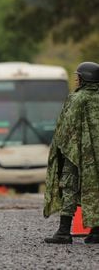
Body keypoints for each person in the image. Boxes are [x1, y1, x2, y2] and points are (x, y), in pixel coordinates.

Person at [44, 61, 99, 244]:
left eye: (78, 77)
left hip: (76, 154)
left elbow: (66, 128)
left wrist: (59, 150)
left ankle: (63, 232)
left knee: (69, 187)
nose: (76, 80)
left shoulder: (77, 99)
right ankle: (96, 232)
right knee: (95, 189)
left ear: (84, 79)